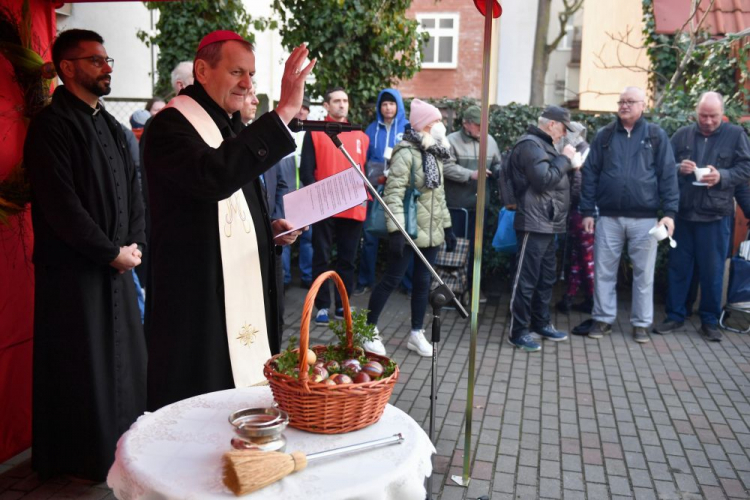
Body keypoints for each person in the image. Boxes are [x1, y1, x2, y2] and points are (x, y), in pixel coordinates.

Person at [143, 30, 314, 410]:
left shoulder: (228, 123)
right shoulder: (171, 127)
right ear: (202, 71)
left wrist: (267, 231)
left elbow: (235, 199)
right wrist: (283, 110)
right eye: (237, 71)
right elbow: (214, 178)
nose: (247, 84)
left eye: (251, 74)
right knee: (200, 402)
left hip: (232, 284)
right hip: (198, 299)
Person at [24, 29, 146, 481]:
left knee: (127, 372)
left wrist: (134, 247)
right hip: (74, 277)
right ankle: (79, 462)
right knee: (81, 370)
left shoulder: (112, 127)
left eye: (107, 59)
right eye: (96, 60)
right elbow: (61, 207)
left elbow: (135, 194)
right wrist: (109, 252)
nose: (107, 67)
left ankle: (126, 454)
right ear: (67, 67)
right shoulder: (51, 127)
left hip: (117, 268)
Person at [580, 86, 678, 344]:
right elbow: (589, 174)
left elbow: (668, 175)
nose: (624, 105)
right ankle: (602, 319)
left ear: (642, 105)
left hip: (645, 219)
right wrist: (588, 211)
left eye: (630, 101)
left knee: (644, 274)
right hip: (608, 218)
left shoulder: (656, 136)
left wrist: (669, 214)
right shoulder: (604, 136)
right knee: (603, 271)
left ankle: (642, 324)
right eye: (621, 101)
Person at [654, 92, 750, 342]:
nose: (707, 121)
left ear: (723, 115)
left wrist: (723, 177)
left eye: (713, 116)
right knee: (678, 269)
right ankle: (675, 316)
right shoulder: (683, 135)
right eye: (703, 115)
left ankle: (709, 321)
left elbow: (746, 168)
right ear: (696, 113)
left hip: (716, 216)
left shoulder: (736, 135)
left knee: (713, 271)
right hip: (684, 215)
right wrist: (678, 168)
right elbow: (663, 166)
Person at [366, 99, 455, 356]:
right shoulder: (405, 152)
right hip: (407, 231)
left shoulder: (436, 152)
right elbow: (393, 194)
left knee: (422, 282)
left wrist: (447, 227)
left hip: (431, 231)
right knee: (392, 279)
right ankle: (367, 330)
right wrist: (396, 232)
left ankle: (417, 333)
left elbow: (439, 196)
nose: (440, 124)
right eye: (436, 120)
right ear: (425, 124)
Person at [506, 106, 577, 352]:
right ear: (552, 125)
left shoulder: (543, 146)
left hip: (549, 222)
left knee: (546, 278)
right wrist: (565, 159)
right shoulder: (530, 145)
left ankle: (540, 323)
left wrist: (571, 166)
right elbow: (543, 180)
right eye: (564, 128)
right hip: (534, 222)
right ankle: (518, 332)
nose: (564, 134)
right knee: (525, 279)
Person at [299, 87, 369, 325]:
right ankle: (321, 306)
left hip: (352, 207)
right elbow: (306, 171)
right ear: (326, 106)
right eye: (336, 101)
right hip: (324, 206)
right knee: (321, 257)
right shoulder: (315, 132)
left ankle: (343, 305)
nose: (342, 104)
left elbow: (364, 171)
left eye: (345, 100)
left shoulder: (360, 134)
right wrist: (318, 199)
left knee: (347, 260)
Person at [443, 105, 502, 300]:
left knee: (477, 250)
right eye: (478, 125)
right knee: (456, 249)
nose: (482, 129)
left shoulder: (490, 141)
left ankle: (474, 289)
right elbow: (445, 167)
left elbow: (497, 164)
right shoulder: (450, 141)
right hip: (458, 207)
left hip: (480, 206)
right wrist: (471, 175)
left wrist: (501, 171)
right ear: (465, 124)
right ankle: (454, 290)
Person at [356, 88, 410, 296]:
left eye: (392, 104)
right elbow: (365, 159)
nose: (388, 108)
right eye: (384, 104)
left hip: (399, 190)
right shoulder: (371, 129)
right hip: (375, 188)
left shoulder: (406, 127)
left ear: (398, 106)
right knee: (370, 236)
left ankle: (405, 282)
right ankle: (365, 280)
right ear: (380, 107)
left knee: (402, 236)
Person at [556, 122, 594, 315]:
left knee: (585, 258)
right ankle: (571, 298)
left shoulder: (583, 153)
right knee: (579, 257)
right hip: (579, 213)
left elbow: (579, 189)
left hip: (583, 214)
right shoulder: (580, 150)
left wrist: (576, 170)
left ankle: (592, 300)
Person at [279, 97, 314, 289]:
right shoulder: (282, 131)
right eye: (299, 107)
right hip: (287, 191)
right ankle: (284, 277)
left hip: (306, 191)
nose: (302, 112)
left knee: (307, 237)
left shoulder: (311, 133)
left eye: (305, 108)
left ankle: (307, 276)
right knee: (286, 233)